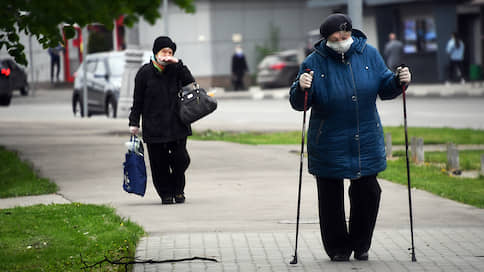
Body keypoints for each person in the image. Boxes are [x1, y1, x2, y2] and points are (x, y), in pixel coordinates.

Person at [289, 13, 411, 262]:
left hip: (364, 137)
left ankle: (360, 243)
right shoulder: (314, 62)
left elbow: (385, 86)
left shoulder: (369, 54)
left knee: (368, 191)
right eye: (336, 38)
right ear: (326, 40)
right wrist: (300, 87)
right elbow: (299, 103)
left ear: (352, 34)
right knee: (330, 196)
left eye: (345, 36)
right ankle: (338, 249)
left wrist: (399, 81)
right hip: (328, 140)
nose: (342, 41)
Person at [128, 36, 195, 205]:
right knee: (159, 163)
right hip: (154, 127)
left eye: (170, 52)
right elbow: (138, 101)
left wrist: (177, 63)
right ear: (155, 53)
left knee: (181, 159)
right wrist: (134, 122)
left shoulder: (176, 69)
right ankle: (166, 194)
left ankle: (178, 189)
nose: (166, 55)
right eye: (163, 51)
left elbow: (190, 82)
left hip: (177, 125)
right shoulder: (144, 73)